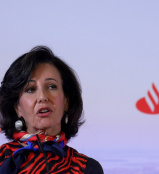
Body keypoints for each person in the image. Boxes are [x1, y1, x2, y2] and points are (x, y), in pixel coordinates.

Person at [0, 46, 104, 174]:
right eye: (30, 89)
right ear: (17, 108)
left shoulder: (86, 168)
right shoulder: (2, 160)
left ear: (66, 101)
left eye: (51, 86)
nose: (42, 97)